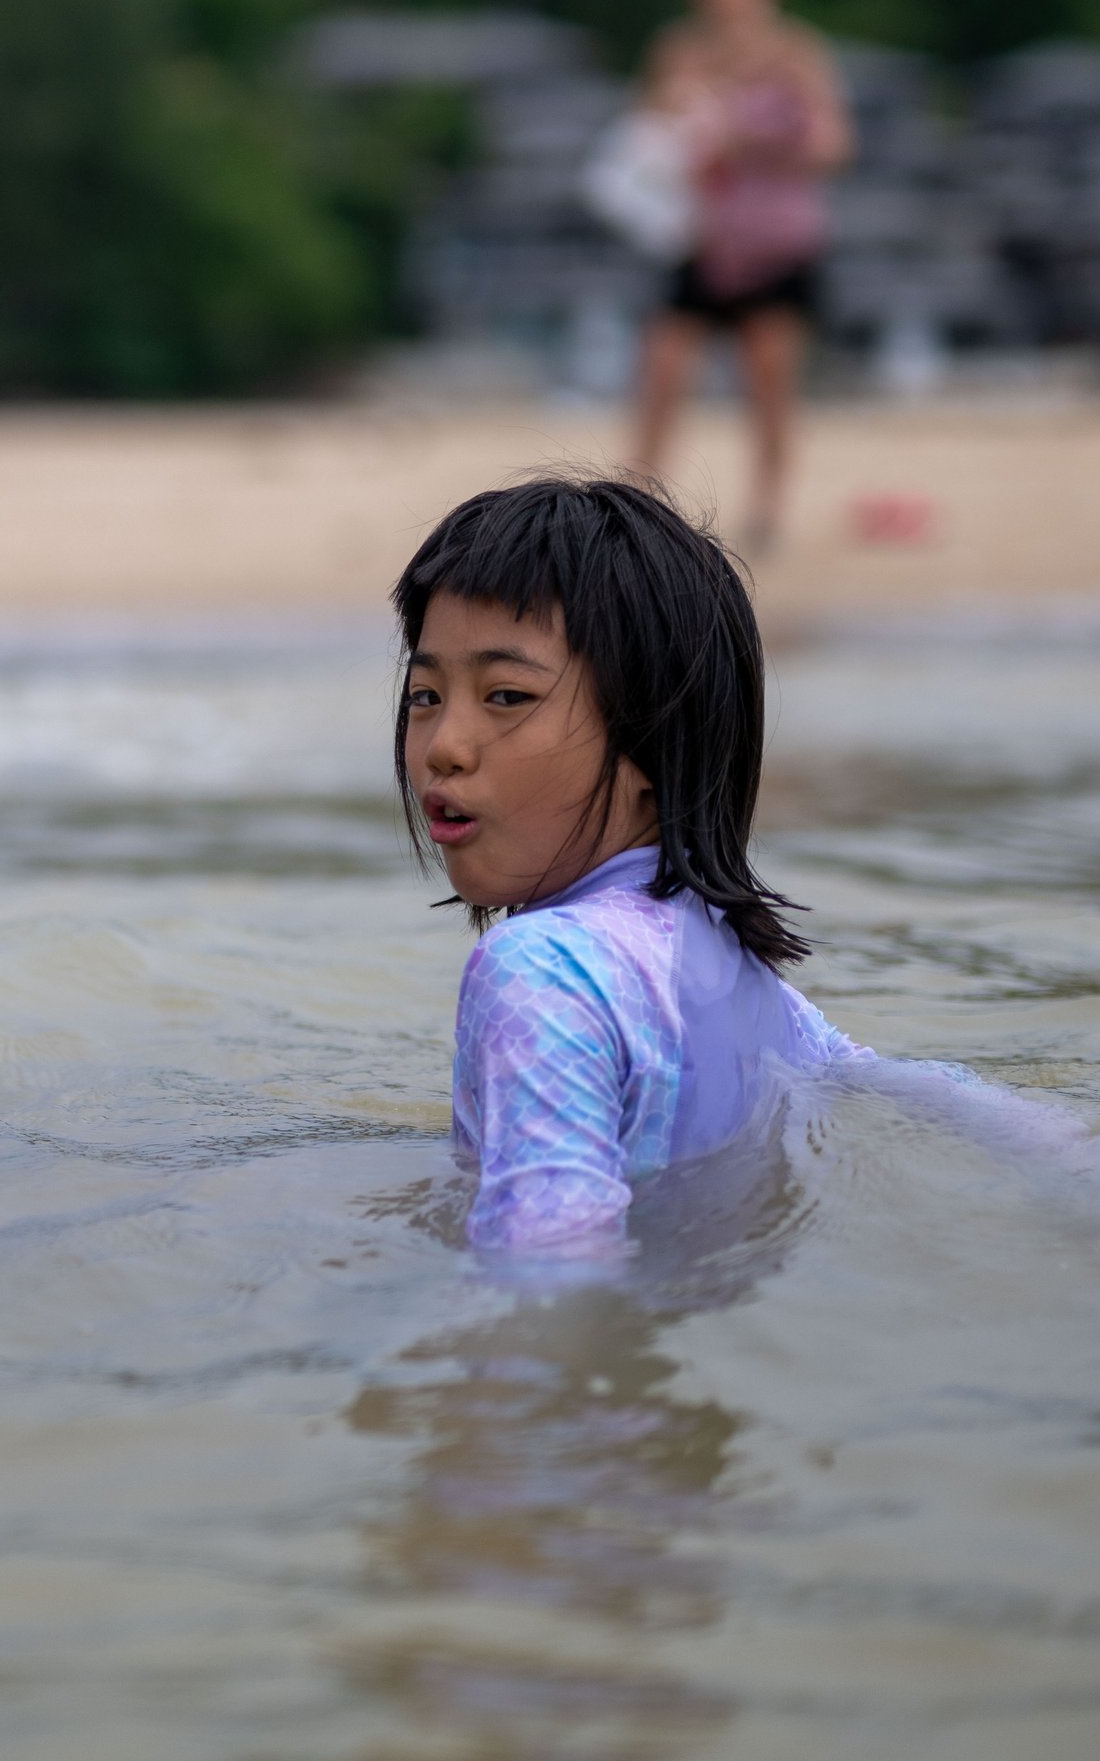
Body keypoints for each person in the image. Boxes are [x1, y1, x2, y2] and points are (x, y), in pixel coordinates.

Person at [396, 475, 1076, 1253]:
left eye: (506, 696)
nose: (444, 746)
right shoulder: (735, 964)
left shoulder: (538, 970)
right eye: (425, 695)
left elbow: (552, 1265)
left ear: (651, 737)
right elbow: (921, 1088)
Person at [629, 0, 850, 552]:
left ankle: (766, 509)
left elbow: (833, 145)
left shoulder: (797, 52)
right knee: (663, 369)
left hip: (775, 240)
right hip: (698, 239)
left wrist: (751, 138)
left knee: (769, 380)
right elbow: (643, 138)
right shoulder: (678, 50)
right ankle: (637, 503)